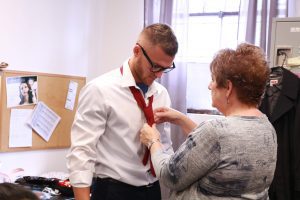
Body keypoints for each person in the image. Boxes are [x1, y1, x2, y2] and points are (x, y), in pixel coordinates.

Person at [140, 43, 277, 199]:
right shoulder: (267, 127)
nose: (209, 86)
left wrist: (153, 141)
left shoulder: (216, 131)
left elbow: (169, 176)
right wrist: (181, 119)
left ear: (229, 88)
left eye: (213, 79)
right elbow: (223, 149)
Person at [66, 23, 178, 200]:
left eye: (165, 69)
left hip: (152, 191)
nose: (159, 75)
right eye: (155, 67)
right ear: (136, 51)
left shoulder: (161, 94)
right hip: (113, 191)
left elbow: (164, 144)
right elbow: (82, 151)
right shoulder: (99, 90)